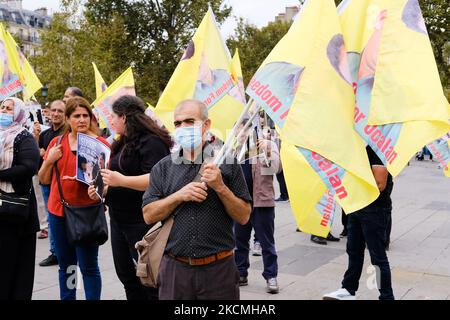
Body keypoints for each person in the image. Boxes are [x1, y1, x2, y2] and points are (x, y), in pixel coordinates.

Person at [142, 99, 252, 300]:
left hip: (219, 271)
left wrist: (220, 187)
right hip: (176, 270)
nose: (183, 127)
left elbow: (244, 215)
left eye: (189, 121)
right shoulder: (163, 167)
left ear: (206, 124)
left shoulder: (227, 163)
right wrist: (178, 196)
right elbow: (149, 215)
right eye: (177, 123)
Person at [94, 95, 172, 300]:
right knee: (127, 277)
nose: (110, 120)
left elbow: (158, 178)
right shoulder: (120, 142)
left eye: (113, 116)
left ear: (125, 117)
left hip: (142, 221)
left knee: (148, 280)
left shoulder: (152, 142)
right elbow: (114, 175)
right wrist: (104, 189)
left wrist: (122, 181)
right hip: (119, 220)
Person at [38, 97, 110, 300]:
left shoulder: (100, 145)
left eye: (85, 115)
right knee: (67, 266)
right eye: (76, 116)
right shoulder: (56, 143)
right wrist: (49, 160)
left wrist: (99, 190)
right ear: (68, 119)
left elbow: (106, 184)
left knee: (89, 267)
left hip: (86, 214)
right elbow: (43, 179)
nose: (81, 120)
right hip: (59, 213)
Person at [323, 146, 395, 300]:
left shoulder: (377, 146)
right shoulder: (355, 145)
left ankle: (386, 296)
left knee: (377, 257)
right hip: (356, 206)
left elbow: (380, 183)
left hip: (374, 210)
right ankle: (348, 289)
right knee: (354, 251)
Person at [234, 113, 281, 294]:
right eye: (240, 129)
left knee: (267, 243)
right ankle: (240, 273)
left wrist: (268, 149)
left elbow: (275, 168)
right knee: (239, 241)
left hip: (262, 202)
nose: (242, 133)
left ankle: (271, 276)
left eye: (246, 129)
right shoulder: (234, 150)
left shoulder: (266, 144)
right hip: (240, 203)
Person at [0, 97, 40, 299]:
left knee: (12, 266)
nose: (5, 112)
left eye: (9, 109)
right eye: (3, 108)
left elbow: (29, 167)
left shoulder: (23, 137)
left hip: (14, 211)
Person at [36, 100, 66, 267]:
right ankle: (55, 251)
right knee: (51, 218)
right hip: (46, 181)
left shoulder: (66, 134)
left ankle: (60, 251)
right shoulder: (45, 134)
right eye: (53, 110)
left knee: (60, 218)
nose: (55, 114)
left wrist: (46, 154)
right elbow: (38, 154)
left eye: (60, 111)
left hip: (60, 183)